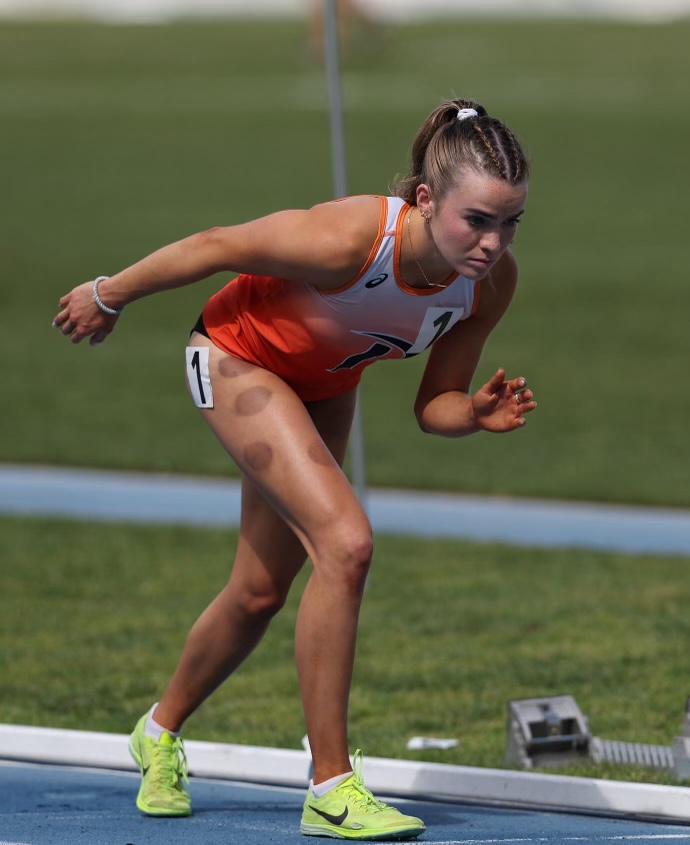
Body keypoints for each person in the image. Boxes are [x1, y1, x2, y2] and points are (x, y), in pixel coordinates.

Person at [52, 98, 536, 841]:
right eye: (478, 220)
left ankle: (158, 729)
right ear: (428, 199)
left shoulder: (487, 285)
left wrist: (472, 413)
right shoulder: (349, 239)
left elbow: (432, 403)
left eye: (510, 223)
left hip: (322, 387)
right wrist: (106, 293)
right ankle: (331, 784)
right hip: (235, 357)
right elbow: (217, 244)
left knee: (258, 593)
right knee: (346, 543)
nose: (493, 242)